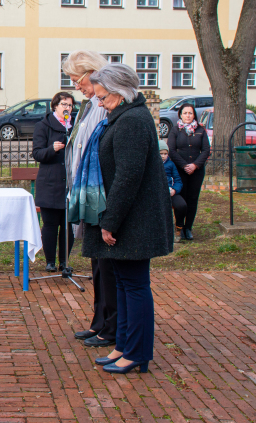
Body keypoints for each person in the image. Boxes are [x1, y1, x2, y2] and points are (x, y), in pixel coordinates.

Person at [81, 64, 174, 374]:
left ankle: (136, 352)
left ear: (120, 95)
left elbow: (128, 177)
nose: (100, 102)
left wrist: (110, 221)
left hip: (135, 220)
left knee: (134, 286)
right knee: (123, 284)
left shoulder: (132, 121)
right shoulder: (123, 116)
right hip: (130, 218)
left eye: (104, 97)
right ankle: (123, 346)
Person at [62, 50, 117, 349]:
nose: (76, 86)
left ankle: (109, 327)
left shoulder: (103, 106)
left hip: (99, 198)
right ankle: (100, 323)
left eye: (77, 79)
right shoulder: (90, 106)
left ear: (92, 73)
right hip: (87, 195)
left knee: (106, 268)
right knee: (97, 266)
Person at [32, 91, 75, 272]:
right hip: (50, 183)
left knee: (68, 226)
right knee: (50, 225)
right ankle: (50, 262)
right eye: (64, 104)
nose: (67, 108)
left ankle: (64, 262)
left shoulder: (73, 127)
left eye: (70, 105)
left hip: (70, 184)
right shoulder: (43, 126)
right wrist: (52, 149)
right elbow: (37, 153)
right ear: (55, 106)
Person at [166, 103, 210, 241]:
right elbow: (171, 151)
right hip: (180, 171)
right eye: (185, 113)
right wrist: (185, 165)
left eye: (190, 113)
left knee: (192, 199)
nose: (188, 116)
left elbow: (206, 150)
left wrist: (195, 165)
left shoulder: (201, 130)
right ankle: (179, 226)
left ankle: (188, 228)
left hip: (197, 171)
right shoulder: (175, 130)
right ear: (180, 114)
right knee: (181, 200)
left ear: (194, 115)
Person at [159, 140, 187, 244]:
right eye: (161, 153)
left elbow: (178, 180)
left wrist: (175, 190)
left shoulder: (171, 164)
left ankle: (178, 229)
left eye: (165, 154)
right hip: (158, 193)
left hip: (170, 191)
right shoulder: (152, 165)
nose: (163, 156)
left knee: (181, 205)